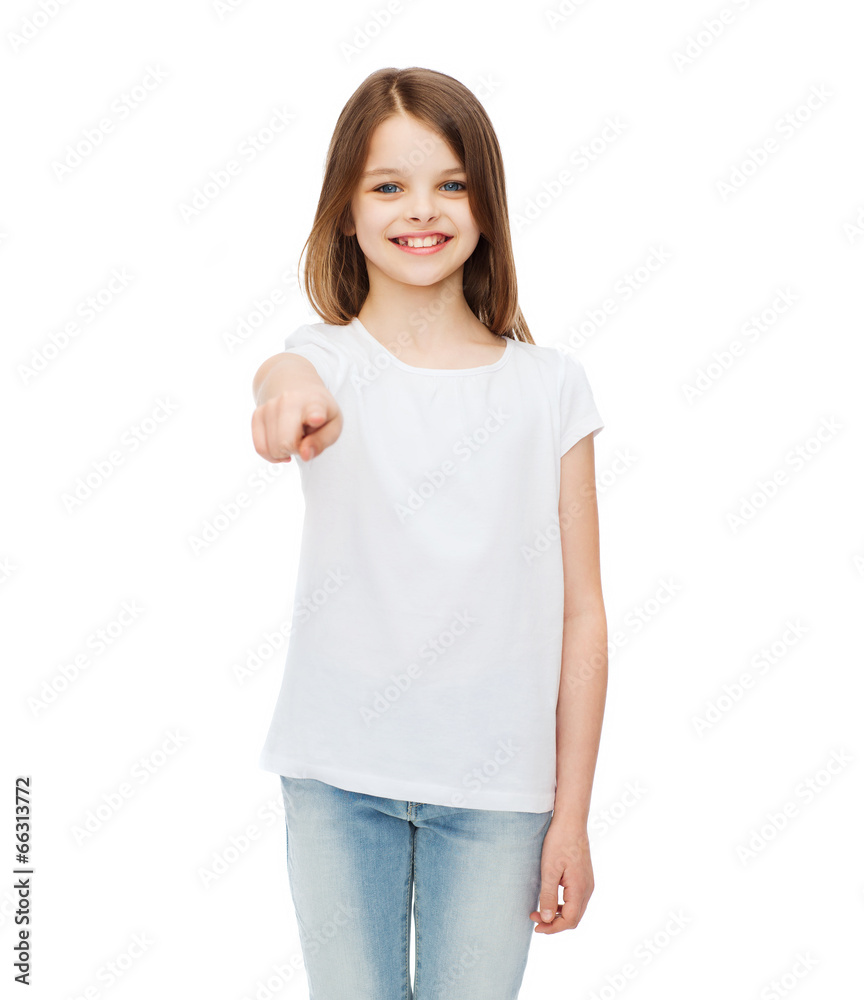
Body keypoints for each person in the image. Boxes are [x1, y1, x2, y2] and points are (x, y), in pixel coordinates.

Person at [251, 66, 608, 1000]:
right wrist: (283, 397)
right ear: (346, 210)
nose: (423, 209)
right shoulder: (319, 360)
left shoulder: (550, 387)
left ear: (486, 204)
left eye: (451, 183)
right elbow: (283, 382)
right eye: (388, 185)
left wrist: (569, 818)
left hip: (499, 801)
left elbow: (583, 617)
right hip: (337, 782)